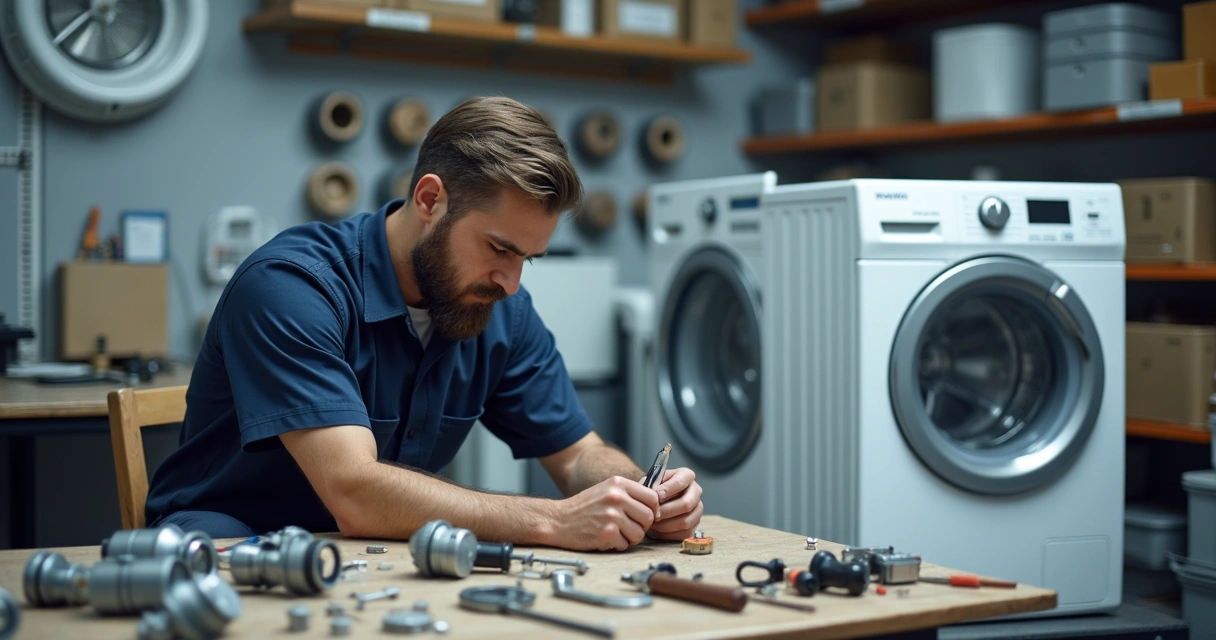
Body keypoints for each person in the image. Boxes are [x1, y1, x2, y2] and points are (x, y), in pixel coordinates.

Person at [144, 96, 704, 551]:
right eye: (498, 248)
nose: (511, 282)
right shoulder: (291, 286)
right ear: (430, 198)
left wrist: (637, 493)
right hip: (225, 544)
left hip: (373, 554)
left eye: (526, 259)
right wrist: (552, 521)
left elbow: (580, 454)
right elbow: (356, 491)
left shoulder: (499, 308)